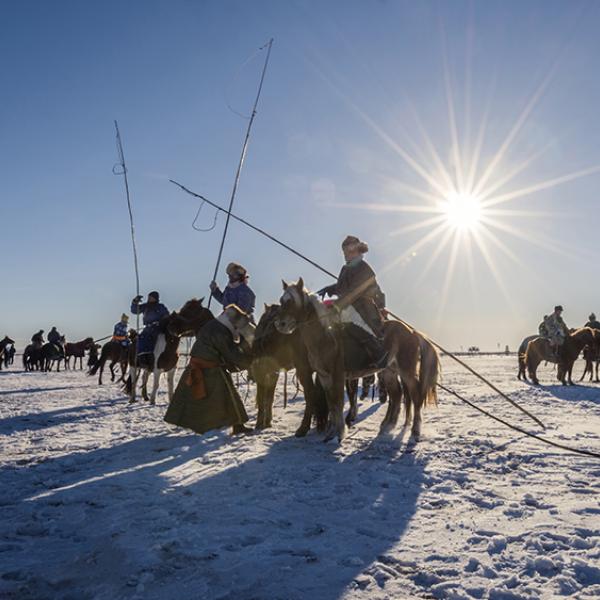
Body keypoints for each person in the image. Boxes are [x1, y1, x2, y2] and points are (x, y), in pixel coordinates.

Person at [165, 304, 254, 436]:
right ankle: (236, 425)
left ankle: (235, 425)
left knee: (194, 398)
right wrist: (250, 361)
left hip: (199, 366)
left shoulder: (214, 325)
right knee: (229, 396)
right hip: (210, 369)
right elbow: (232, 354)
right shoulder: (220, 331)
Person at [317, 235, 386, 364]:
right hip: (349, 304)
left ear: (357, 250)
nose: (345, 255)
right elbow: (342, 287)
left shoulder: (364, 268)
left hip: (363, 307)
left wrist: (338, 305)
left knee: (353, 319)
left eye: (348, 251)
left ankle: (378, 351)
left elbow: (355, 291)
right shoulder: (346, 268)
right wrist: (329, 289)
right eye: (344, 252)